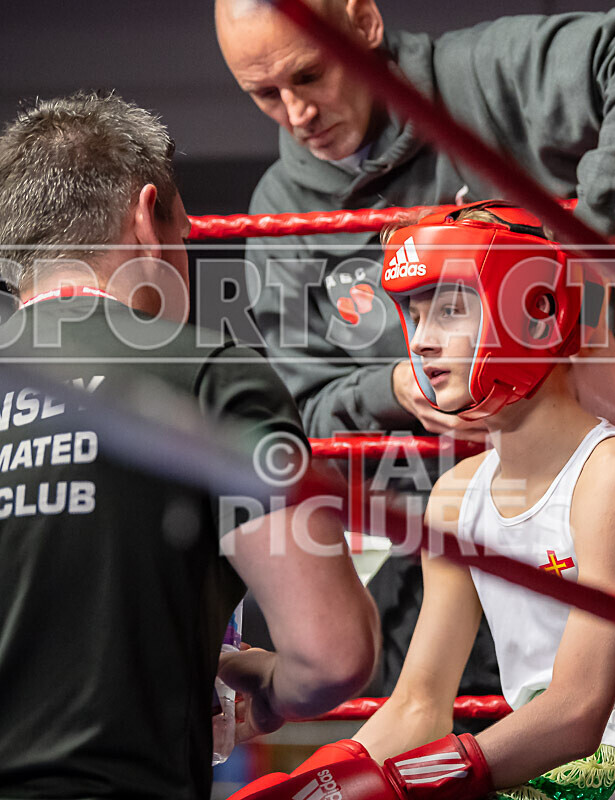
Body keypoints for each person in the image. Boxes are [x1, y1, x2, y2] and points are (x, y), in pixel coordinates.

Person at [214, 0, 615, 699]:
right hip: (433, 552)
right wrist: (392, 389)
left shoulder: (480, 78)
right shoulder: (283, 209)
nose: (297, 113)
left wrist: (570, 258)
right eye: (264, 94)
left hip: (585, 514)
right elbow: (300, 418)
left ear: (363, 22)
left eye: (311, 74)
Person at [230, 202, 615, 800]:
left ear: (538, 313)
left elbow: (577, 712)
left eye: (452, 310)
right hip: (529, 766)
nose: (425, 342)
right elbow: (418, 706)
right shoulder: (457, 496)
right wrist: (316, 784)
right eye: (415, 313)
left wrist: (398, 785)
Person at [0, 91, 379, 799]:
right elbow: (334, 653)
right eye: (184, 232)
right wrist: (267, 687)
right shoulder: (212, 373)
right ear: (149, 219)